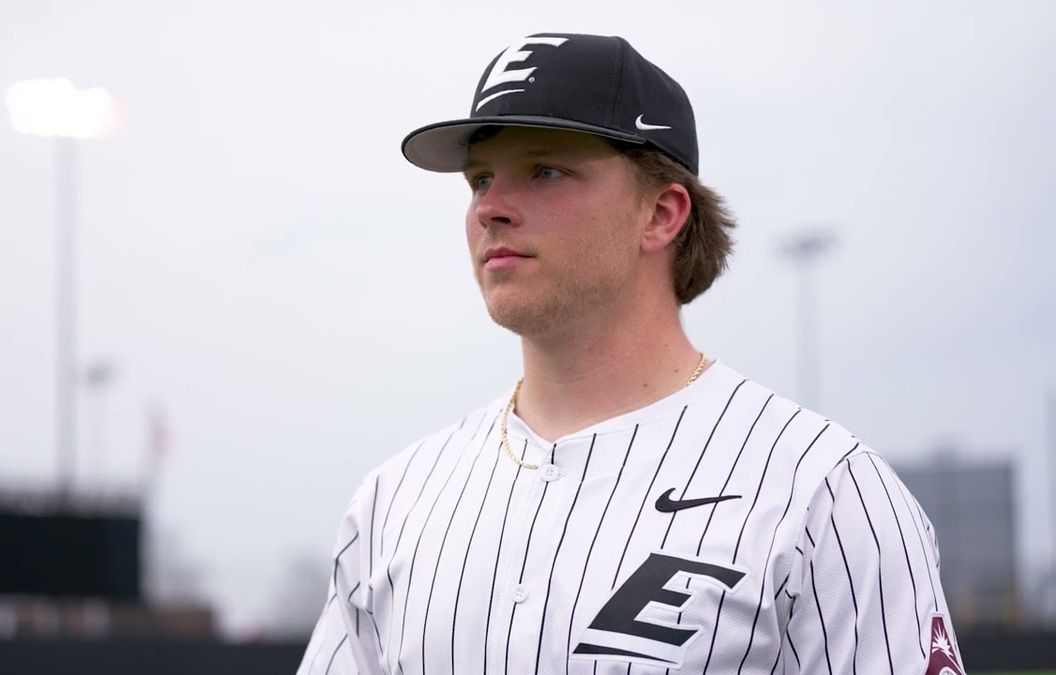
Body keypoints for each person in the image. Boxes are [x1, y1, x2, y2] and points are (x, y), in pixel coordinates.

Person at [297, 33, 965, 675]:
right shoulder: (393, 502)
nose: (491, 207)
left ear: (661, 214)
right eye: (478, 179)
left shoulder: (822, 490)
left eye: (545, 170)